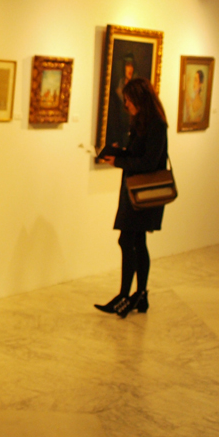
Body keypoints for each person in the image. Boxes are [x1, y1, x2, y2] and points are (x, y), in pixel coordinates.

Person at [96, 77, 169, 318]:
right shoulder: (141, 123)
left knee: (129, 241)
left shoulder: (156, 125)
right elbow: (140, 154)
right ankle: (138, 295)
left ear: (139, 99)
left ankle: (128, 295)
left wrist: (119, 160)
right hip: (134, 192)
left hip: (144, 194)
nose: (126, 104)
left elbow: (149, 162)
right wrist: (120, 153)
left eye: (128, 100)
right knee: (134, 242)